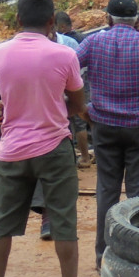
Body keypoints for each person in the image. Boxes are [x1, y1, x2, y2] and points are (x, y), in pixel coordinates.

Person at [0, 0, 100, 277]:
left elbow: (14, 92)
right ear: (52, 22)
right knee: (64, 223)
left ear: (17, 20)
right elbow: (77, 105)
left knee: (1, 227)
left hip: (11, 150)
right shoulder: (64, 54)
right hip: (53, 147)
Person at [77, 0, 139, 269]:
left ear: (108, 18)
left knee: (107, 190)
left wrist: (80, 107)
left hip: (104, 124)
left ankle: (103, 255)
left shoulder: (93, 41)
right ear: (136, 20)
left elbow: (68, 67)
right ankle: (137, 256)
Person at [56, 12, 92, 167]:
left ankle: (83, 157)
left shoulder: (69, 41)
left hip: (72, 84)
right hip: (76, 83)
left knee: (75, 121)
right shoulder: (75, 39)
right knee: (76, 122)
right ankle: (81, 156)